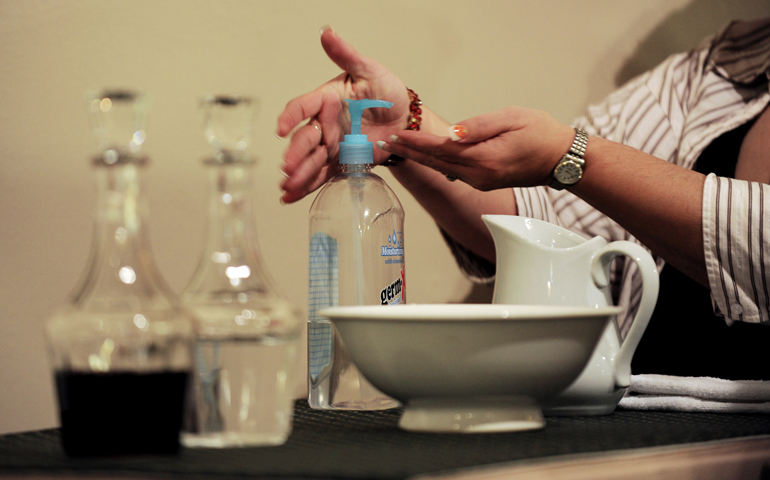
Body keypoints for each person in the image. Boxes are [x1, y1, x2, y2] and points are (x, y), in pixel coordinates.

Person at [277, 18, 770, 380]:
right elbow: (549, 225)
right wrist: (405, 131)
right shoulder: (719, 66)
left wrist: (571, 156)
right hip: (649, 419)